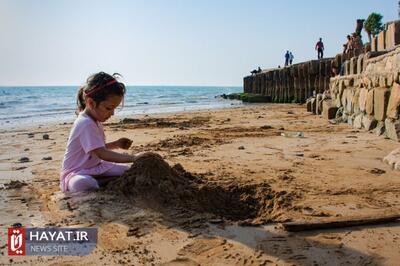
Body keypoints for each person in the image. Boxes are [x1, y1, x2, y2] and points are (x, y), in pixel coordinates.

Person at [60, 71, 149, 193]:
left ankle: (104, 181)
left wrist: (116, 144)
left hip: (96, 167)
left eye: (114, 108)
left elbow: (96, 150)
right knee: (82, 183)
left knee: (130, 171)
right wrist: (134, 158)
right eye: (108, 108)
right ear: (91, 103)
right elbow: (101, 153)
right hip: (76, 172)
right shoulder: (85, 123)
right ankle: (105, 182)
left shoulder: (94, 121)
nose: (112, 113)